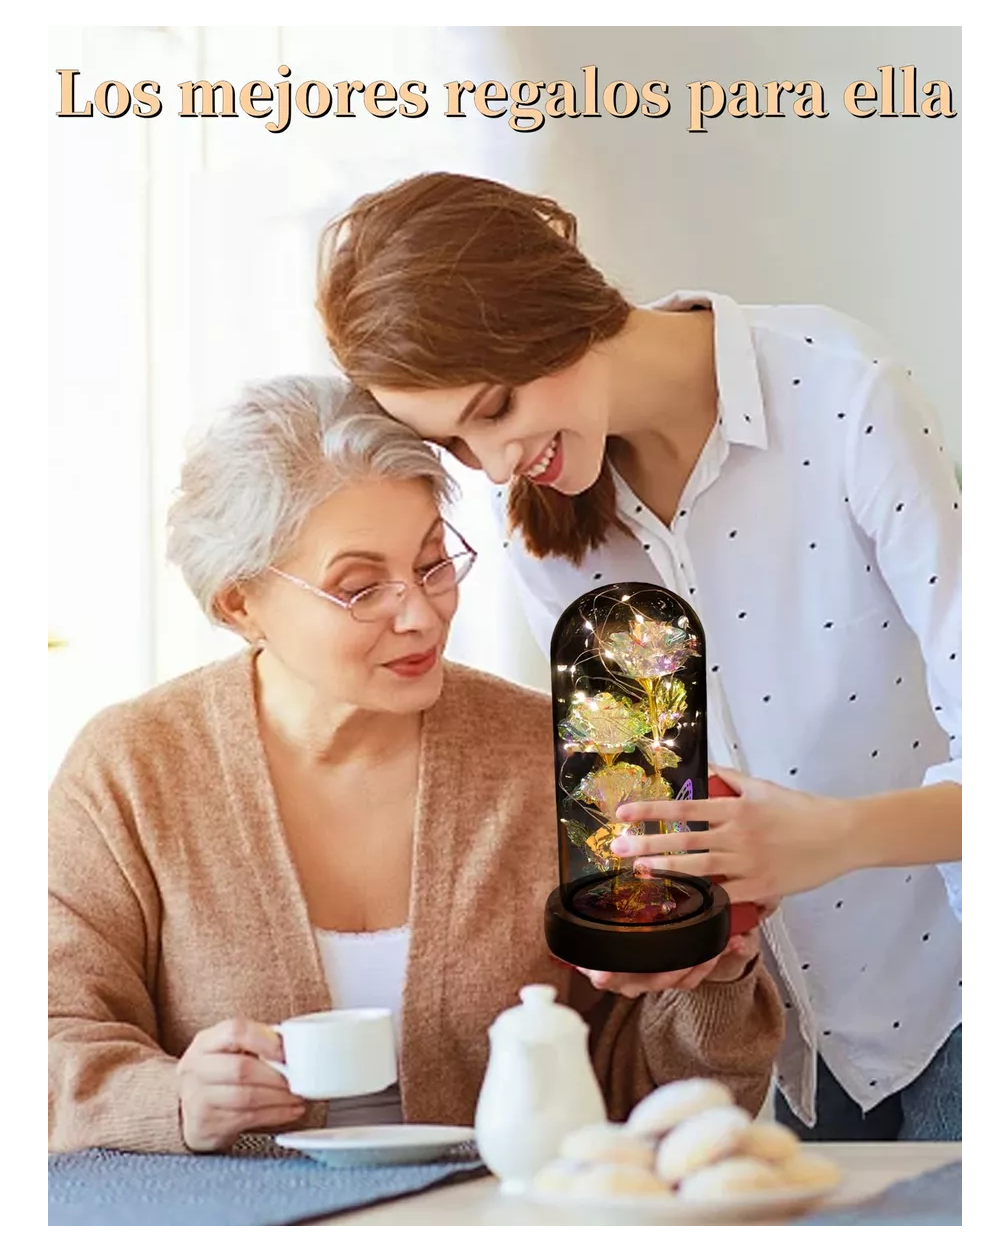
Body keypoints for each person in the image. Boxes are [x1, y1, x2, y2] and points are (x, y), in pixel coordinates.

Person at [314, 171, 962, 1142]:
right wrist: (675, 926)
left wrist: (831, 838)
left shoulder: (841, 395)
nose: (493, 465)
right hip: (793, 1051)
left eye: (493, 408)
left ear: (553, 305)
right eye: (455, 442)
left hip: (956, 994)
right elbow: (661, 804)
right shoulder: (542, 528)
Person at [48, 374, 783, 1155]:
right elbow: (48, 1036)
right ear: (239, 605)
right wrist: (173, 1101)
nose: (421, 613)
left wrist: (712, 974)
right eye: (361, 588)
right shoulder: (131, 769)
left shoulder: (557, 758)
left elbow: (662, 1103)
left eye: (433, 563)